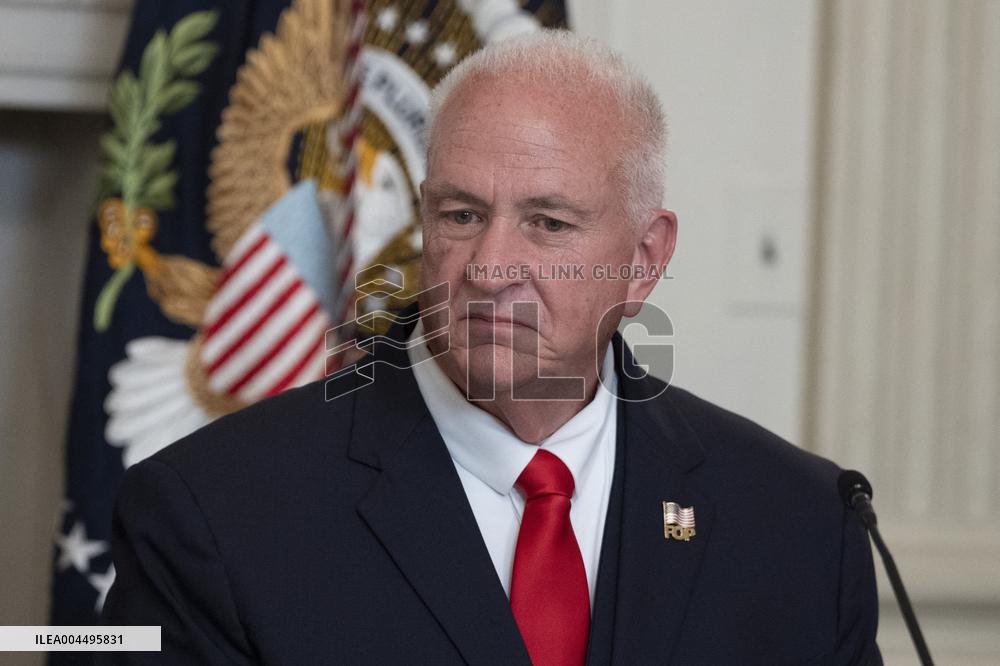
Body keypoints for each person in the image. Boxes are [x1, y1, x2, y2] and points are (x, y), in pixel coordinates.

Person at [101, 30, 882, 665]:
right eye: (462, 214)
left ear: (644, 259)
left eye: (547, 222)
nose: (488, 267)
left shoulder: (803, 528)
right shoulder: (214, 514)